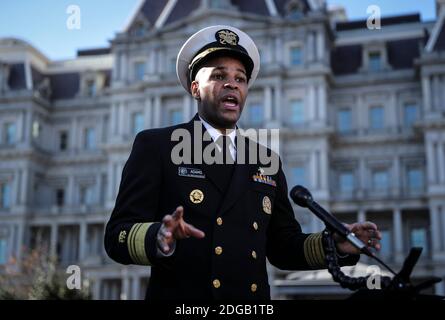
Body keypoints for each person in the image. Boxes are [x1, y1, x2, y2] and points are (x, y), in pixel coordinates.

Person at [104, 25, 382, 300]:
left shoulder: (266, 159)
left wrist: (335, 245)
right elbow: (117, 235)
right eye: (218, 75)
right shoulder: (157, 146)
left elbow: (282, 247)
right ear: (195, 89)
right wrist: (159, 235)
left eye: (240, 78)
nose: (232, 84)